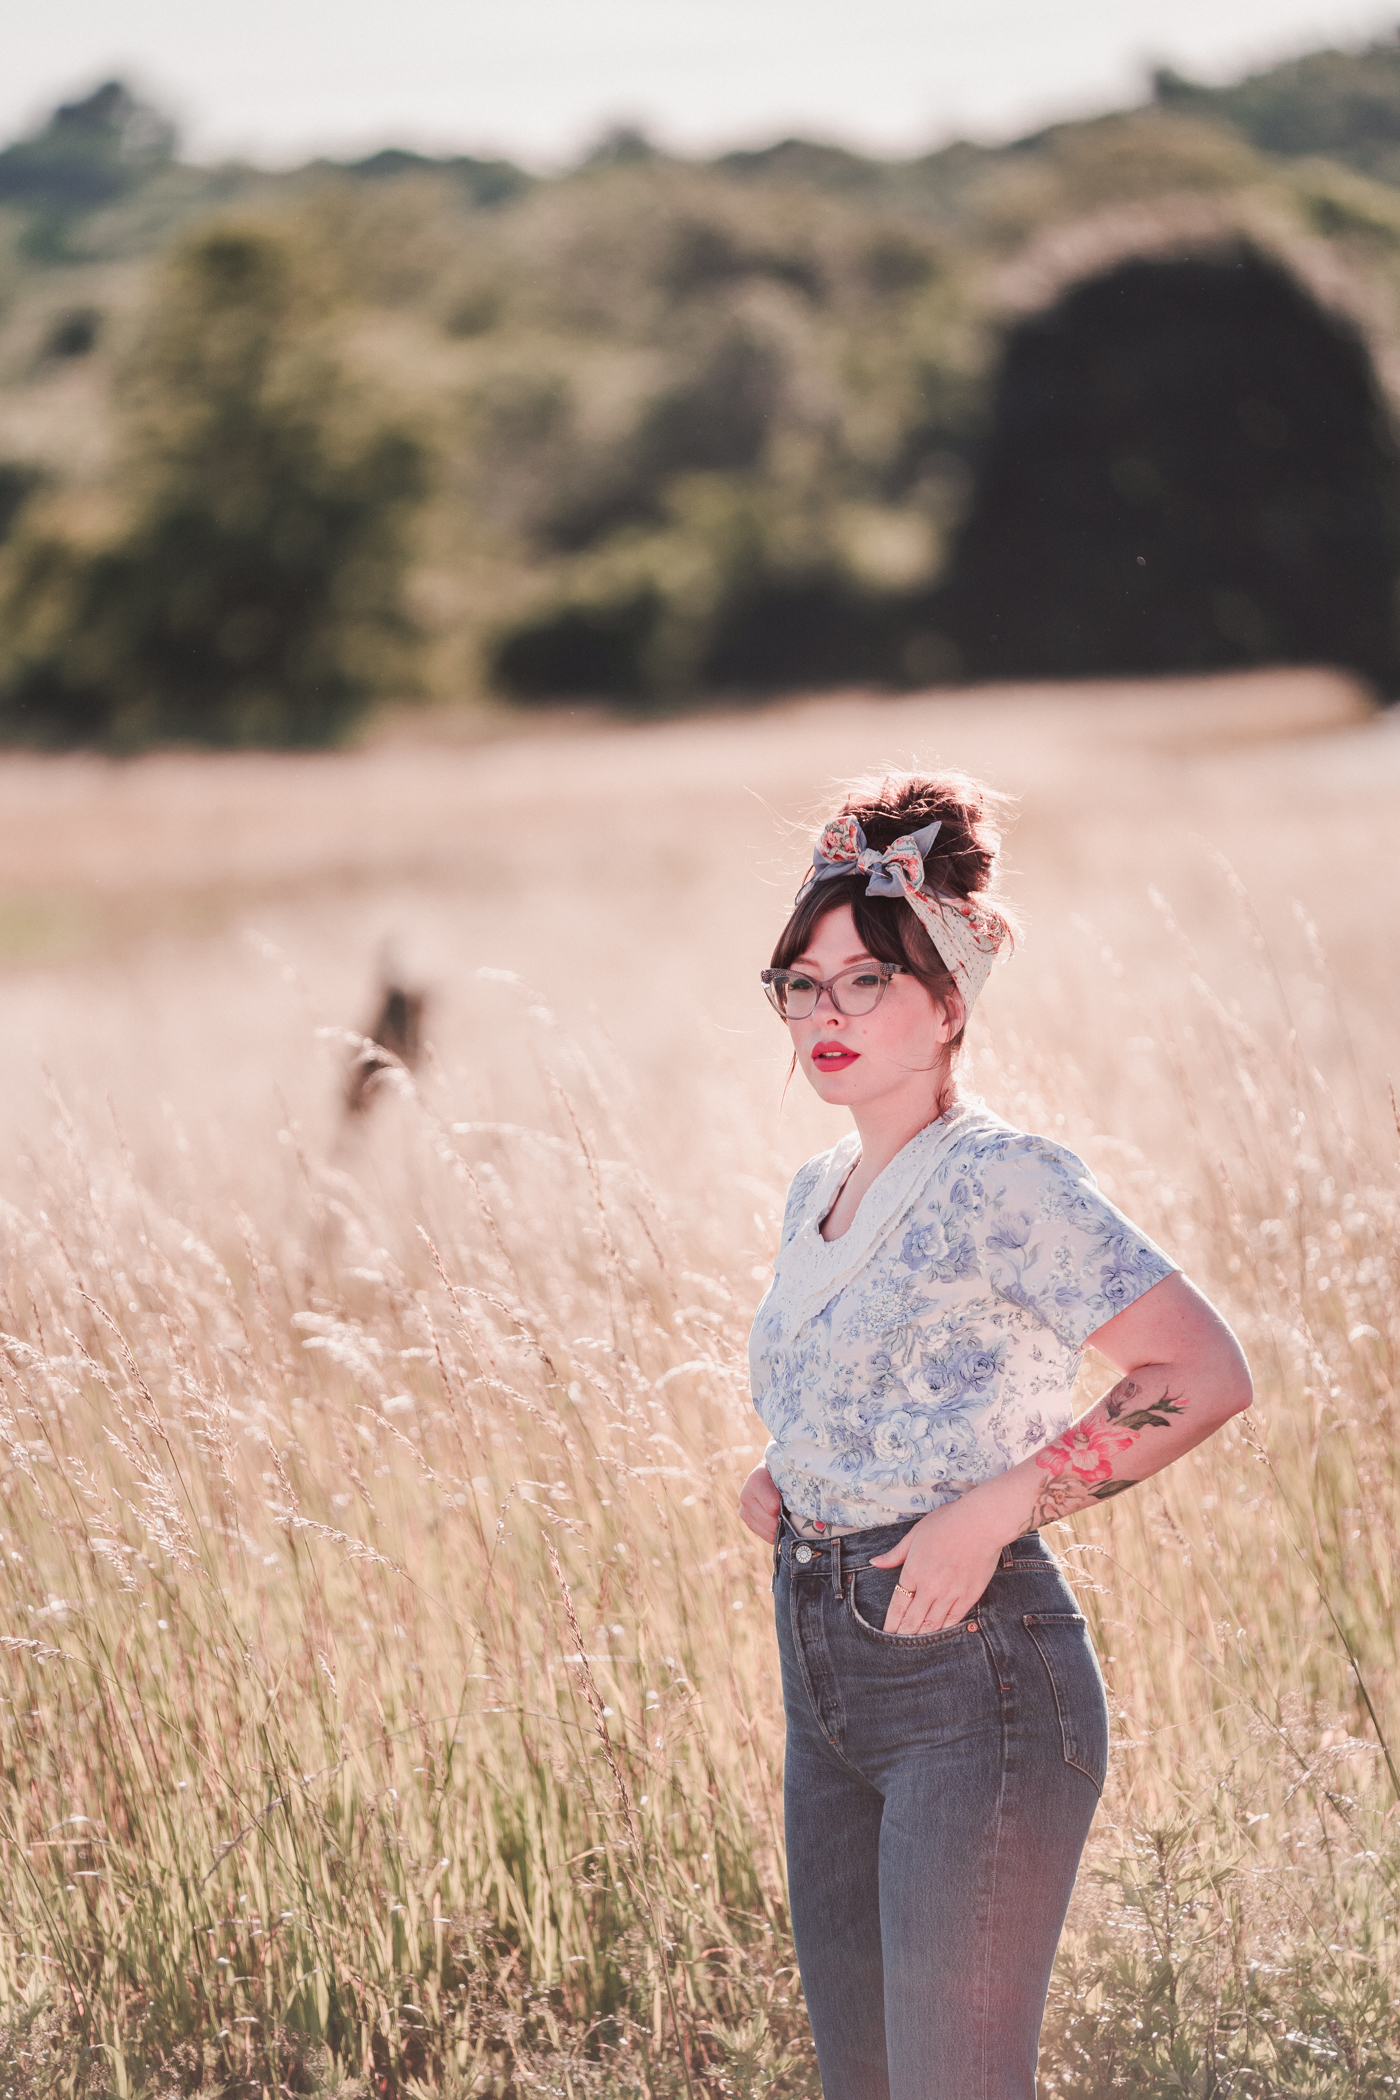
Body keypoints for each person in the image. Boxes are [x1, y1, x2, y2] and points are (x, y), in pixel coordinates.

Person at [739, 772, 1252, 2100]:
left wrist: (1002, 1501)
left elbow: (1197, 1371)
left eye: (867, 982)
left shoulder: (1004, 1178)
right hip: (825, 1667)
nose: (826, 1014)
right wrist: (796, 1473)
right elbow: (881, 1386)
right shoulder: (816, 1192)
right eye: (802, 983)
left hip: (978, 1683)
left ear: (950, 1004)